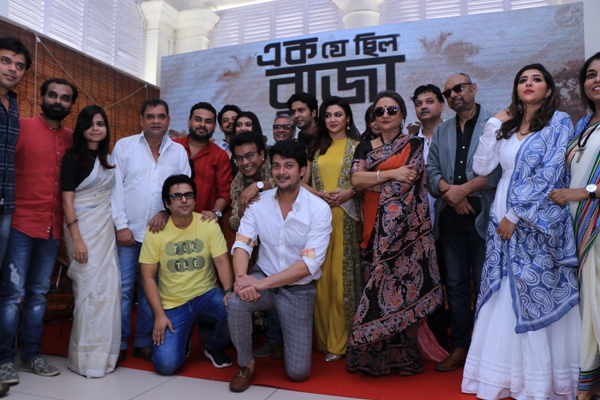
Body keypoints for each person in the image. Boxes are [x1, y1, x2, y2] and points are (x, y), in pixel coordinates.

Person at [464, 64, 580, 399]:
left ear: (548, 89)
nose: (529, 84)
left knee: (535, 293)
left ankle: (540, 383)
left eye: (536, 79)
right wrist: (493, 123)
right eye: (522, 80)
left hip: (536, 221)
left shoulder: (559, 122)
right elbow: (481, 167)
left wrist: (515, 215)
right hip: (501, 219)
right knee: (503, 294)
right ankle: (503, 378)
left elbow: (550, 173)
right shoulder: (508, 127)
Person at [347, 90, 443, 376]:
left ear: (402, 115)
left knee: (403, 295)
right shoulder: (364, 147)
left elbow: (409, 179)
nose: (386, 115)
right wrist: (390, 174)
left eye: (392, 110)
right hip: (371, 230)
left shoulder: (413, 144)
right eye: (380, 111)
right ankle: (374, 361)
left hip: (405, 234)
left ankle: (404, 359)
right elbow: (355, 180)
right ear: (374, 118)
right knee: (375, 295)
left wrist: (374, 181)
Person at [227, 140, 332, 393]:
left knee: (298, 373)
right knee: (237, 302)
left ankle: (287, 340)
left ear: (302, 170)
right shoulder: (258, 203)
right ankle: (246, 364)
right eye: (276, 166)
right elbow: (243, 244)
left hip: (298, 288)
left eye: (288, 166)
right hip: (264, 274)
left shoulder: (318, 209)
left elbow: (308, 265)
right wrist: (241, 280)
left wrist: (258, 284)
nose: (281, 172)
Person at [0, 78, 78, 382]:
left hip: (53, 230)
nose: (58, 101)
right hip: (20, 225)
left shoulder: (72, 139)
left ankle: (31, 356)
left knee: (38, 295)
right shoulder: (21, 128)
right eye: (53, 95)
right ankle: (4, 360)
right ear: (42, 97)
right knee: (12, 295)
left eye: (65, 98)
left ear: (71, 105)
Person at [426, 73, 500, 372]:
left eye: (459, 88)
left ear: (473, 89)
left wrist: (464, 190)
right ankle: (460, 347)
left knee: (485, 285)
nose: (454, 94)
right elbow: (431, 171)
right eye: (448, 93)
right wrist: (451, 193)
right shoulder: (442, 131)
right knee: (455, 286)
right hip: (450, 218)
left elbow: (500, 169)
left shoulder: (495, 123)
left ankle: (487, 350)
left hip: (483, 215)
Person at [111, 98, 191, 365]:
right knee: (122, 289)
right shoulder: (124, 147)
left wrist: (166, 212)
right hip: (128, 234)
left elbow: (183, 191)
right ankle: (118, 343)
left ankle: (143, 342)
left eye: (161, 116)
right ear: (141, 120)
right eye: (150, 116)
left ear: (168, 120)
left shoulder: (178, 152)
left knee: (151, 291)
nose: (156, 121)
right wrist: (121, 225)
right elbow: (115, 188)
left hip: (160, 236)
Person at [139, 174, 234, 374]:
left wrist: (228, 291)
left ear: (195, 199)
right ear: (167, 203)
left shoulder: (208, 223)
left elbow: (221, 261)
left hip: (206, 296)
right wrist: (159, 315)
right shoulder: (156, 230)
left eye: (188, 195)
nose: (184, 200)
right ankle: (185, 334)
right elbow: (147, 277)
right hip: (173, 305)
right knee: (165, 365)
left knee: (236, 309)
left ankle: (211, 343)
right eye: (177, 196)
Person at [549, 53, 600, 400]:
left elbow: (580, 186)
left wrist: (584, 192)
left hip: (596, 223)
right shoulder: (582, 125)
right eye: (591, 74)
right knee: (589, 305)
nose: (596, 80)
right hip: (577, 230)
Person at [61, 105, 120, 377]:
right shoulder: (72, 158)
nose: (96, 128)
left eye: (100, 123)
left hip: (104, 231)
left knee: (107, 291)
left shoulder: (107, 160)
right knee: (87, 291)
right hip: (82, 231)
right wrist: (77, 240)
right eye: (90, 124)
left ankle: (102, 357)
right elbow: (67, 201)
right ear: (81, 128)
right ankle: (82, 359)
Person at [303, 96, 362, 362]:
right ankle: (325, 340)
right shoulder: (315, 148)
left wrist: (350, 192)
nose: (333, 119)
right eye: (328, 115)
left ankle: (342, 342)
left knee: (341, 282)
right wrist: (320, 195)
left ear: (347, 118)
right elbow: (301, 183)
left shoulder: (357, 147)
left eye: (338, 114)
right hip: (319, 220)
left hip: (346, 219)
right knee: (321, 282)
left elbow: (363, 183)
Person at [227, 131, 280, 359]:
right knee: (260, 288)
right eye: (239, 158)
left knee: (282, 286)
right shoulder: (237, 183)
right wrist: (243, 207)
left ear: (262, 154)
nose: (245, 162)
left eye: (250, 155)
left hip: (285, 245)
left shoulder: (274, 167)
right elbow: (234, 222)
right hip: (255, 248)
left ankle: (279, 340)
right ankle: (267, 339)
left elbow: (289, 182)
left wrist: (258, 185)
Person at [0, 37, 31, 264]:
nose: (13, 69)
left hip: (6, 203)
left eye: (19, 66)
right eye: (6, 61)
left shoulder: (12, 104)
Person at [173, 102, 231, 221]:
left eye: (208, 121)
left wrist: (215, 212)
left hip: (203, 222)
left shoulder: (220, 155)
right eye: (198, 120)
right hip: (170, 220)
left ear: (214, 126)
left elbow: (224, 191)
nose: (202, 125)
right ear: (189, 122)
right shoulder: (173, 146)